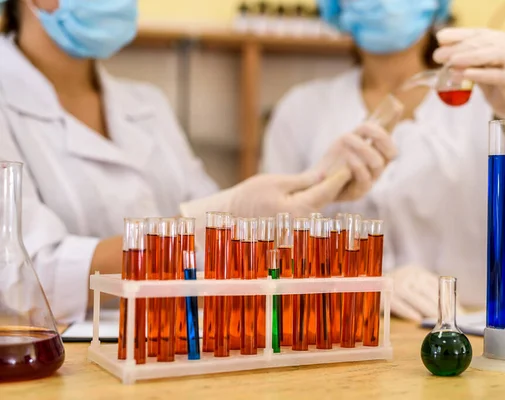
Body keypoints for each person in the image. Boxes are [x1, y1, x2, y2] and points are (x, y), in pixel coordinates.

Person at [0, 0, 396, 322]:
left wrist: (317, 182)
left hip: (172, 347)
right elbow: (24, 276)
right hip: (57, 366)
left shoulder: (147, 105)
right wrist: (212, 222)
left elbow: (218, 226)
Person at [262, 0, 505, 321]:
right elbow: (271, 258)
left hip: (482, 337)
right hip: (347, 337)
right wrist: (366, 286)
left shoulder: (488, 101)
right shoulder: (301, 111)